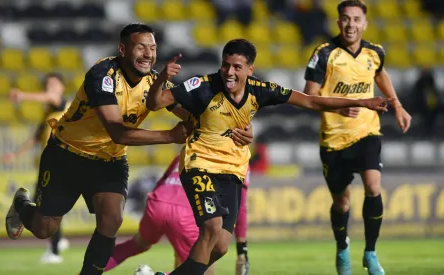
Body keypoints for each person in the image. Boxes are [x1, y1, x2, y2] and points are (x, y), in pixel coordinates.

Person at [146, 38, 391, 275]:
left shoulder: (260, 90)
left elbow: (310, 101)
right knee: (211, 228)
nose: (229, 72)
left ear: (250, 70)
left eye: (237, 67)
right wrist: (162, 80)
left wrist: (363, 102)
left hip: (232, 170)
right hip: (200, 165)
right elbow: (155, 103)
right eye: (226, 65)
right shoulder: (202, 86)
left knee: (220, 246)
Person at [4, 23, 194, 275]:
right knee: (44, 229)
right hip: (66, 155)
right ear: (122, 49)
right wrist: (170, 135)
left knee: (112, 219)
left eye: (153, 48)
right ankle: (21, 205)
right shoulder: (102, 75)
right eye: (141, 47)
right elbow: (117, 130)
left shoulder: (153, 82)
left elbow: (186, 110)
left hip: (109, 161)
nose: (148, 54)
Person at [302, 1, 412, 275]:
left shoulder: (375, 53)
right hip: (334, 140)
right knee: (342, 203)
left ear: (365, 24)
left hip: (367, 132)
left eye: (356, 19)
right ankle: (342, 247)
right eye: (345, 19)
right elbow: (308, 96)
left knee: (373, 187)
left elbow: (380, 74)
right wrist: (340, 105)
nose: (351, 24)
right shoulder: (325, 53)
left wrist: (397, 105)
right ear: (338, 22)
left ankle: (371, 253)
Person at [104, 154, 251, 275]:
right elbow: (241, 206)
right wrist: (241, 249)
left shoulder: (191, 148)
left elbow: (163, 179)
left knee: (136, 244)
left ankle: (90, 270)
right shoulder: (239, 158)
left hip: (158, 202)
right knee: (203, 267)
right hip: (185, 213)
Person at [2, 72, 71, 264]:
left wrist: (22, 96)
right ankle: (55, 246)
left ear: (62, 87)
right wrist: (14, 155)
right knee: (48, 209)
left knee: (50, 209)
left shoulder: (62, 104)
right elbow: (34, 138)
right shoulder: (48, 115)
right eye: (48, 85)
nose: (50, 88)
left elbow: (51, 97)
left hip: (65, 163)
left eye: (54, 84)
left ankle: (55, 245)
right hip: (52, 166)